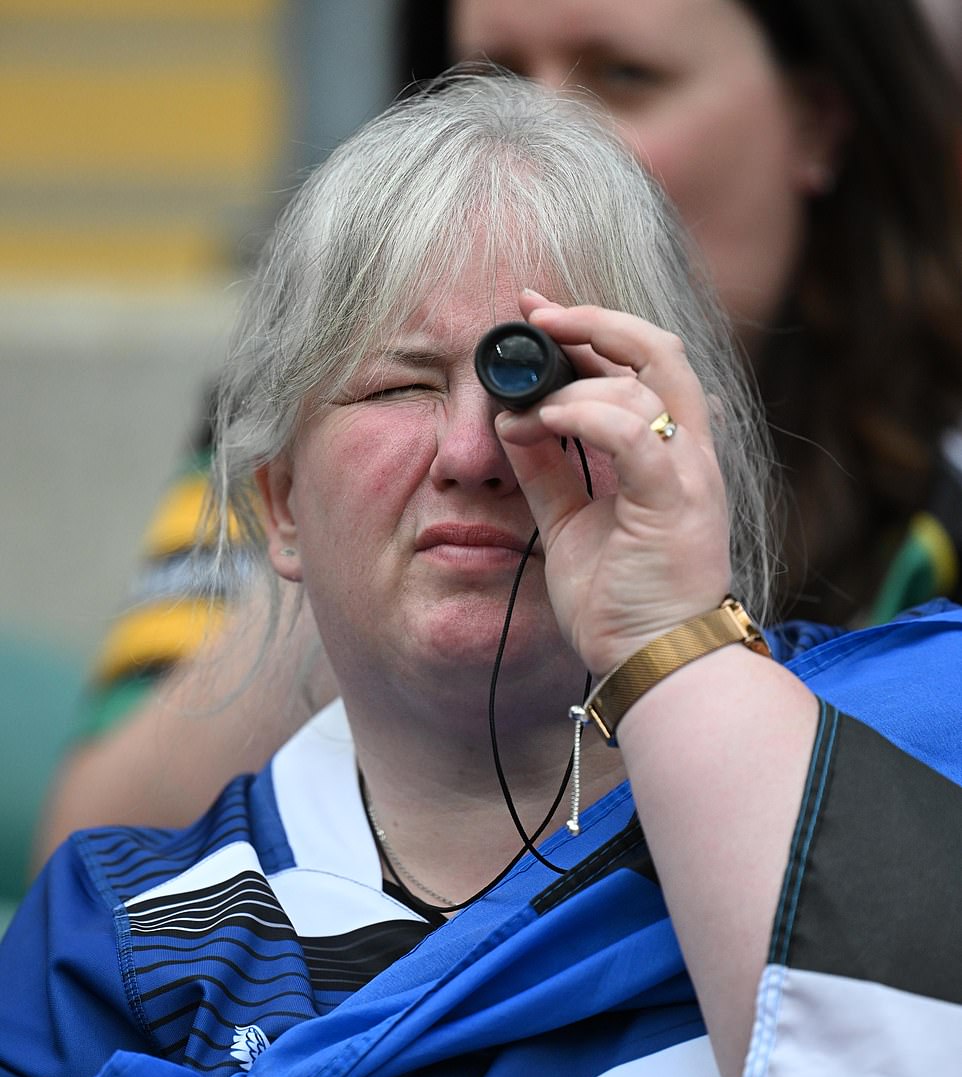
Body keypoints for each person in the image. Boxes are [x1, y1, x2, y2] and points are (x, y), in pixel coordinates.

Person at [3, 73, 962, 1077]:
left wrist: (668, 640)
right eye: (399, 384)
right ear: (285, 510)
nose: (472, 448)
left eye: (540, 380)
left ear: (676, 436)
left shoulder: (903, 750)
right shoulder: (126, 936)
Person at [37, 0, 962, 865]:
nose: (540, 136)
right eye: (493, 77)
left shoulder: (936, 466)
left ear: (818, 121)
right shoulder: (308, 406)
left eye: (623, 79)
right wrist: (380, 537)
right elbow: (101, 853)